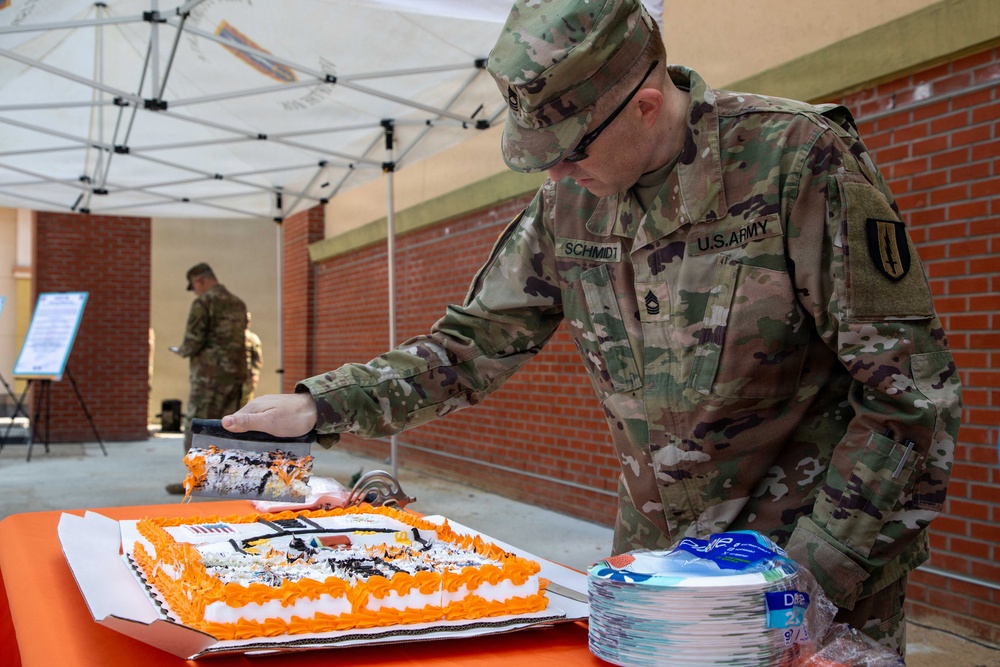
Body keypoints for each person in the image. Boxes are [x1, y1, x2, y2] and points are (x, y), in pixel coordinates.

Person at [222, 0, 961, 657]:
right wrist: (320, 404)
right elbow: (468, 344)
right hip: (651, 579)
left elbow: (910, 397)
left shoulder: (794, 164)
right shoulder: (570, 207)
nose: (555, 174)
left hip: (805, 572)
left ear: (645, 106)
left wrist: (810, 580)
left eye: (571, 150)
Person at [167, 262, 247, 494]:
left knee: (198, 426)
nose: (195, 291)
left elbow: (193, 341)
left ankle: (197, 481)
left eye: (193, 286)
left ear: (200, 281)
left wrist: (181, 350)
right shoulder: (237, 303)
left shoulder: (204, 302)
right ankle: (226, 480)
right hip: (234, 377)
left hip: (208, 379)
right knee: (228, 426)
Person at [241, 312, 263, 407]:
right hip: (232, 378)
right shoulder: (232, 338)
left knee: (245, 403)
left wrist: (254, 374)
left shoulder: (252, 338)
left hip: (247, 378)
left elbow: (258, 359)